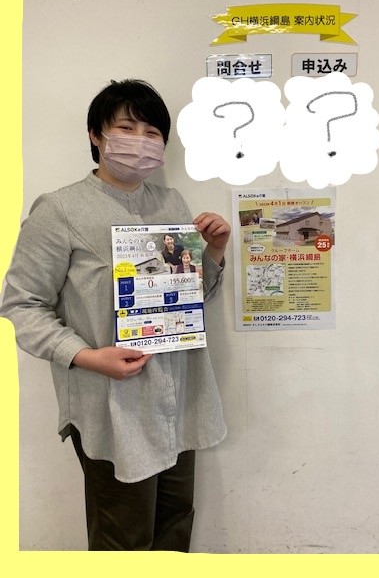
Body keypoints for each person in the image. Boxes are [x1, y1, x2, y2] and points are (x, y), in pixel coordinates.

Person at [0, 79, 231, 552]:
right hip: (113, 406)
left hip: (179, 396)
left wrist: (214, 252)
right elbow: (22, 303)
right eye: (126, 128)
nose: (140, 141)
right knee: (122, 540)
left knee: (174, 526)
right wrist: (87, 356)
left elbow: (188, 297)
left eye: (152, 132)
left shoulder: (171, 203)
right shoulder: (59, 209)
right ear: (95, 135)